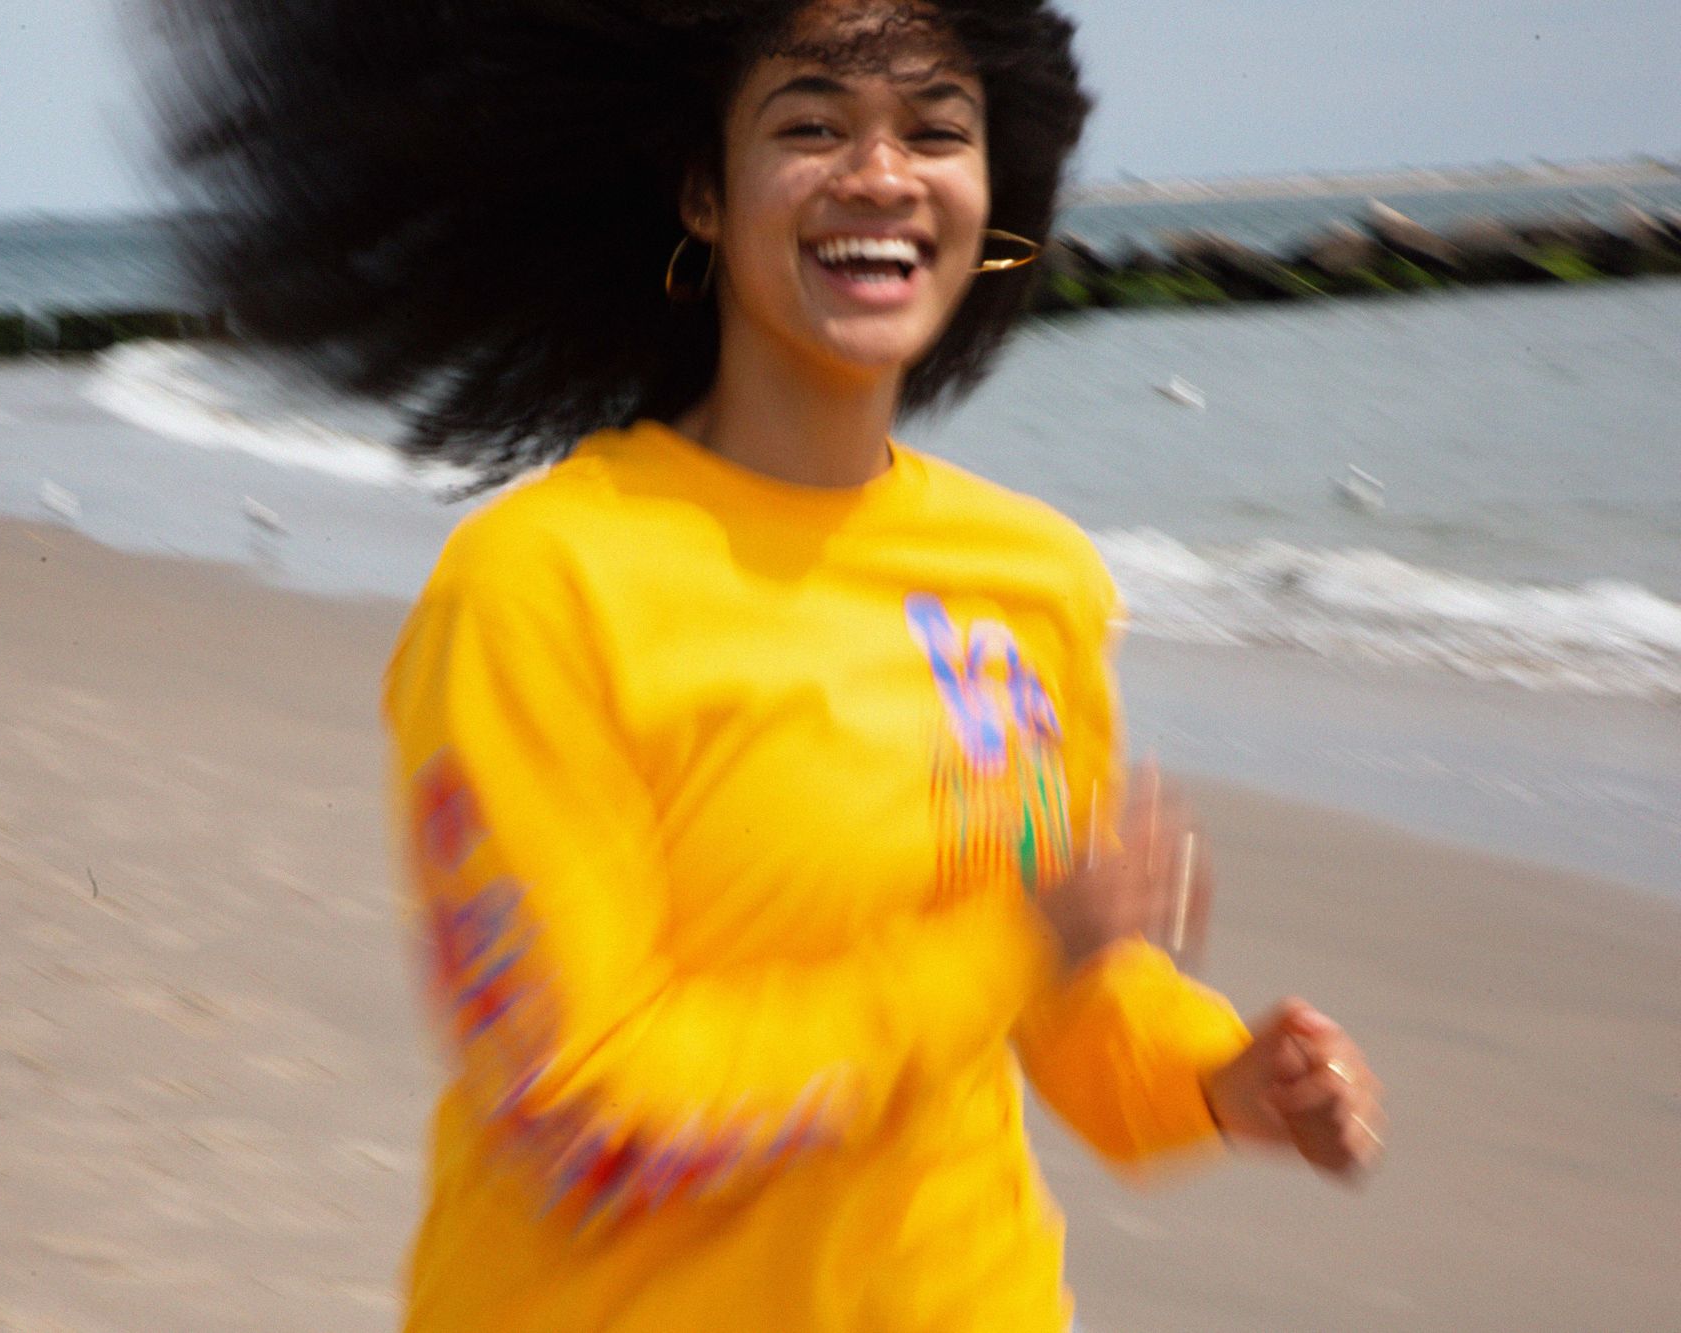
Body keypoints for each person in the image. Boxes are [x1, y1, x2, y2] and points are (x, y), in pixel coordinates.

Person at [162, 2, 1387, 1328]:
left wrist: (1221, 1077)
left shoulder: (1029, 581)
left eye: (936, 130)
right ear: (703, 189)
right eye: (812, 125)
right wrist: (1007, 944)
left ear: (994, 191)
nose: (881, 173)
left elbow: (1067, 988)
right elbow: (582, 1116)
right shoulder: (544, 586)